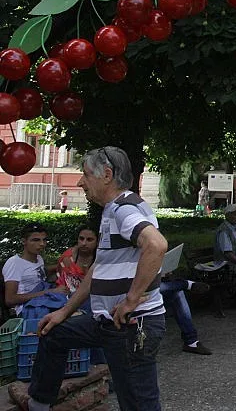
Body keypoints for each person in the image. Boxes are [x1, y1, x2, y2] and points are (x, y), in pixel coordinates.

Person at [26, 146, 169, 411]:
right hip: (108, 323)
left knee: (139, 404)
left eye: (85, 174)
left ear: (106, 175)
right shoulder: (115, 208)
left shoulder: (122, 209)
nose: (80, 181)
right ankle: (38, 404)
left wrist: (130, 300)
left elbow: (157, 245)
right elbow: (99, 268)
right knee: (54, 333)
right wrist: (64, 312)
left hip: (130, 326)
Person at [3, 224, 65, 316]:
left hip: (44, 301)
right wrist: (50, 292)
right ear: (24, 241)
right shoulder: (14, 263)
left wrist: (62, 266)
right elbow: (10, 299)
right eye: (35, 240)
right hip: (27, 309)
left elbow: (38, 272)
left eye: (44, 240)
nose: (42, 244)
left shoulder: (39, 258)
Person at [158, 278, 212, 355]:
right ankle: (187, 284)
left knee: (176, 292)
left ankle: (191, 341)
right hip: (140, 292)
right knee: (158, 288)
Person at [55, 226, 98, 297]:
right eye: (81, 239)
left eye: (89, 240)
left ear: (97, 242)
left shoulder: (101, 258)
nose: (84, 243)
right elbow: (61, 283)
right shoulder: (67, 257)